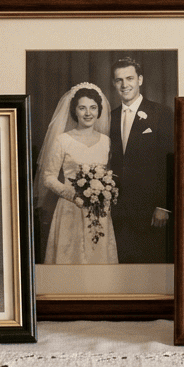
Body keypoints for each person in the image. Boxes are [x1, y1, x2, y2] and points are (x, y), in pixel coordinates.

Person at [40, 83, 119, 264]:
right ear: (74, 111)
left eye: (93, 108)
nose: (88, 113)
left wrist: (103, 192)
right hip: (70, 208)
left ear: (99, 110)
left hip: (98, 210)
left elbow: (109, 176)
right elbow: (48, 177)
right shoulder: (62, 140)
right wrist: (73, 195)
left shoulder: (106, 142)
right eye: (82, 108)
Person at [107, 57, 174, 263]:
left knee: (150, 266)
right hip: (118, 211)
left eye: (129, 78)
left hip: (151, 210)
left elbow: (171, 161)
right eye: (119, 80)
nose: (124, 85)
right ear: (113, 83)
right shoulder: (109, 117)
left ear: (140, 80)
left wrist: (164, 205)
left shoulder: (161, 113)